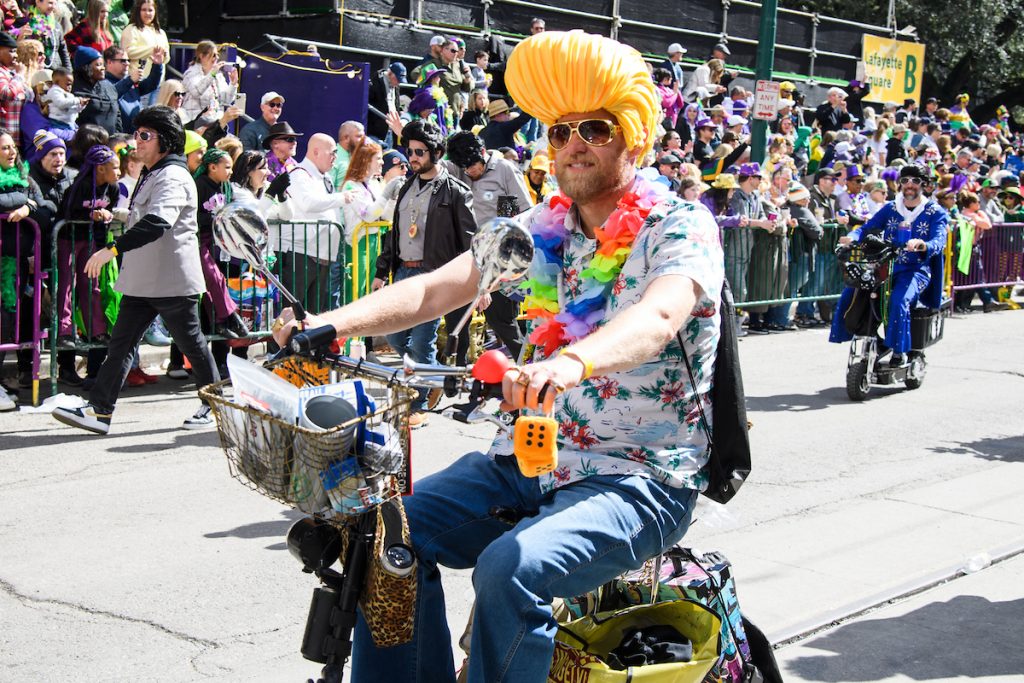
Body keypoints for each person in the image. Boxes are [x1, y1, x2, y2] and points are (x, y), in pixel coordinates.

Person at [273, 30, 721, 683]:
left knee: (510, 568)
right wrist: (330, 325)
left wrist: (570, 363)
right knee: (385, 532)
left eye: (594, 128)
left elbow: (656, 316)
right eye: (560, 131)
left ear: (632, 133)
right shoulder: (547, 226)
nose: (574, 144)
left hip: (641, 475)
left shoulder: (677, 224)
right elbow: (441, 284)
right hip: (534, 459)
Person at [52, 106, 220, 434]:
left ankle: (215, 406)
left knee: (192, 344)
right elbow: (142, 216)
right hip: (144, 280)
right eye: (136, 134)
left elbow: (158, 222)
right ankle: (100, 411)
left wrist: (111, 249)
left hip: (171, 279)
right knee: (121, 345)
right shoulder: (154, 172)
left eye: (144, 135)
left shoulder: (172, 174)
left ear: (166, 141)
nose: (136, 142)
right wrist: (117, 216)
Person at [369, 118, 475, 428]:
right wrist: (381, 269)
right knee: (393, 335)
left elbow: (469, 242)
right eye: (409, 151)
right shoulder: (404, 188)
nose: (412, 157)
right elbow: (395, 232)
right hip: (403, 273)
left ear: (435, 152)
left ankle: (417, 402)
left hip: (435, 277)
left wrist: (476, 284)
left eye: (419, 151)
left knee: (420, 344)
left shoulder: (456, 191)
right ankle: (437, 375)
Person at [831, 164, 948, 367]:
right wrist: (851, 237)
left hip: (916, 270)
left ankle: (899, 351)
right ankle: (869, 338)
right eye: (905, 181)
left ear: (924, 185)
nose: (909, 185)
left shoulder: (935, 212)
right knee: (852, 293)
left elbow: (939, 240)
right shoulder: (891, 208)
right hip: (885, 264)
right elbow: (867, 228)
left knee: (898, 300)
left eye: (915, 181)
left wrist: (923, 244)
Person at [444, 130, 530, 362]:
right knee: (456, 317)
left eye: (473, 166)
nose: (470, 172)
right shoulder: (458, 169)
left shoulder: (504, 171)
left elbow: (518, 215)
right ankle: (455, 376)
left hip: (497, 257)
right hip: (464, 256)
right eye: (465, 168)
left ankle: (527, 366)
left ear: (483, 153)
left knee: (500, 321)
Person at [54, 143, 118, 350]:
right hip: (69, 240)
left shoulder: (113, 188)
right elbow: (67, 213)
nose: (118, 172)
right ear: (100, 168)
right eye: (114, 167)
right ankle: (64, 332)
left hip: (91, 241)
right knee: (66, 285)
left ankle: (96, 331)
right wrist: (90, 215)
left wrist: (107, 216)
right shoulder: (79, 186)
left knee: (91, 284)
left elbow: (111, 208)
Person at [276, 132, 347, 314]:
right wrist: (341, 198)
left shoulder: (325, 178)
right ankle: (282, 344)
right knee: (291, 312)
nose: (335, 158)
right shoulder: (299, 174)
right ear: (316, 152)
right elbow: (307, 203)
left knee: (312, 314)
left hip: (321, 255)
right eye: (332, 152)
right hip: (301, 254)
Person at [338, 140, 402, 306]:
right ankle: (351, 332)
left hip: (375, 243)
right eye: (378, 158)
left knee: (371, 293)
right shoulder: (351, 185)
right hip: (358, 244)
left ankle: (366, 332)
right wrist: (387, 192)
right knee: (356, 292)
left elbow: (385, 216)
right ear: (366, 160)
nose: (382, 162)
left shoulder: (374, 184)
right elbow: (368, 215)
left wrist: (393, 197)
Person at [103, 44, 164, 133]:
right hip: (118, 135)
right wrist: (130, 80)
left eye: (128, 60)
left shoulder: (129, 81)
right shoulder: (102, 82)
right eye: (123, 61)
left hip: (136, 132)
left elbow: (151, 85)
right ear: (109, 62)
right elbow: (111, 94)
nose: (127, 63)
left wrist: (157, 66)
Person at [118, 0, 168, 101]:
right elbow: (127, 52)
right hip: (139, 82)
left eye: (150, 10)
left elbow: (166, 59)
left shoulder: (161, 32)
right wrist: (152, 50)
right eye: (144, 10)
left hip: (158, 83)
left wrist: (163, 55)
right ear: (138, 11)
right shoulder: (131, 29)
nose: (147, 13)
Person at [180, 40, 236, 123]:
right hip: (195, 121)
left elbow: (226, 100)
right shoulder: (191, 74)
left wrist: (233, 84)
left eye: (217, 55)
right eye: (213, 55)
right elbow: (196, 92)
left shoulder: (218, 75)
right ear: (202, 56)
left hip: (214, 121)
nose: (217, 58)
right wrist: (212, 74)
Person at [71, 46, 120, 133]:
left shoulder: (108, 86)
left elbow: (117, 115)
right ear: (85, 67)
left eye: (103, 64)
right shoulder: (73, 89)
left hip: (112, 141)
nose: (103, 68)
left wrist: (118, 138)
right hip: (87, 141)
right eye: (98, 65)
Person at [24, 0, 71, 70]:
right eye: (50, 3)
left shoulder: (56, 25)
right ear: (38, 2)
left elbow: (63, 50)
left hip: (56, 72)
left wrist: (69, 71)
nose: (53, 7)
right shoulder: (26, 24)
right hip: (33, 70)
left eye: (55, 3)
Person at [0, 31, 28, 146]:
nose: (16, 55)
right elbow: (7, 93)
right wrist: (20, 75)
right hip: (4, 139)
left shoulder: (10, 73)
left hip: (17, 138)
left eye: (16, 51)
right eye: (11, 51)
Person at [328, 119, 364, 190]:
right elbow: (327, 188)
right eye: (359, 136)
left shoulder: (358, 156)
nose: (363, 140)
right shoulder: (332, 157)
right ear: (346, 138)